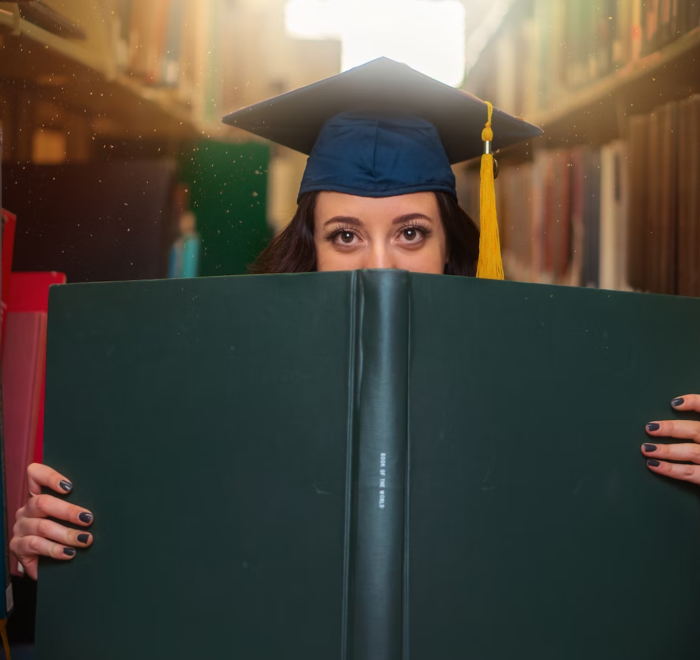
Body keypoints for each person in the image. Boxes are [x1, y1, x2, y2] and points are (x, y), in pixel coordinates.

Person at [9, 57, 699, 579]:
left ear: (451, 245)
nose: (380, 265)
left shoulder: (538, 381)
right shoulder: (217, 381)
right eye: (345, 235)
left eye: (410, 233)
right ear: (309, 247)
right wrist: (58, 555)